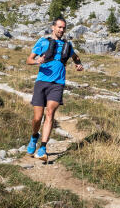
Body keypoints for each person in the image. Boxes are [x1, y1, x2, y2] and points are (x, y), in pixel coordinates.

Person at [26, 17, 83, 160]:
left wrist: (78, 64)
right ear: (53, 27)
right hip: (42, 82)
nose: (62, 30)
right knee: (37, 118)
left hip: (58, 84)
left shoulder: (67, 45)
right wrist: (36, 61)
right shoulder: (43, 41)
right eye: (59, 27)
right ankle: (34, 136)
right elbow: (29, 60)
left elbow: (75, 57)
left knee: (50, 113)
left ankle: (43, 148)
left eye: (64, 28)